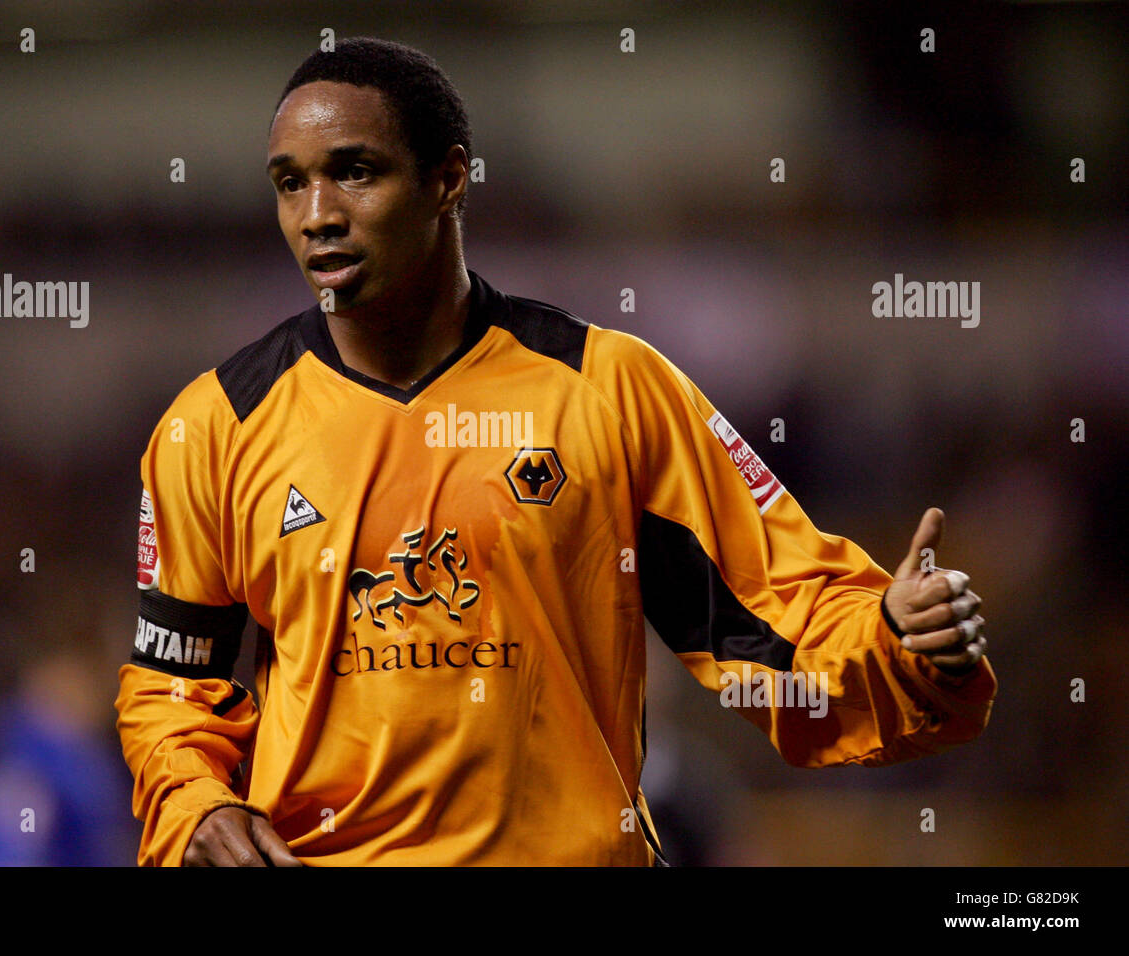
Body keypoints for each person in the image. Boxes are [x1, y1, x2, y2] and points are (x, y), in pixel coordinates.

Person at [114, 36, 996, 867]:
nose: (318, 216)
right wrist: (196, 803)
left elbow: (771, 617)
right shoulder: (216, 424)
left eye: (355, 172)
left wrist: (899, 639)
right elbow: (170, 688)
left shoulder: (610, 389)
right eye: (289, 183)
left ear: (448, 179)